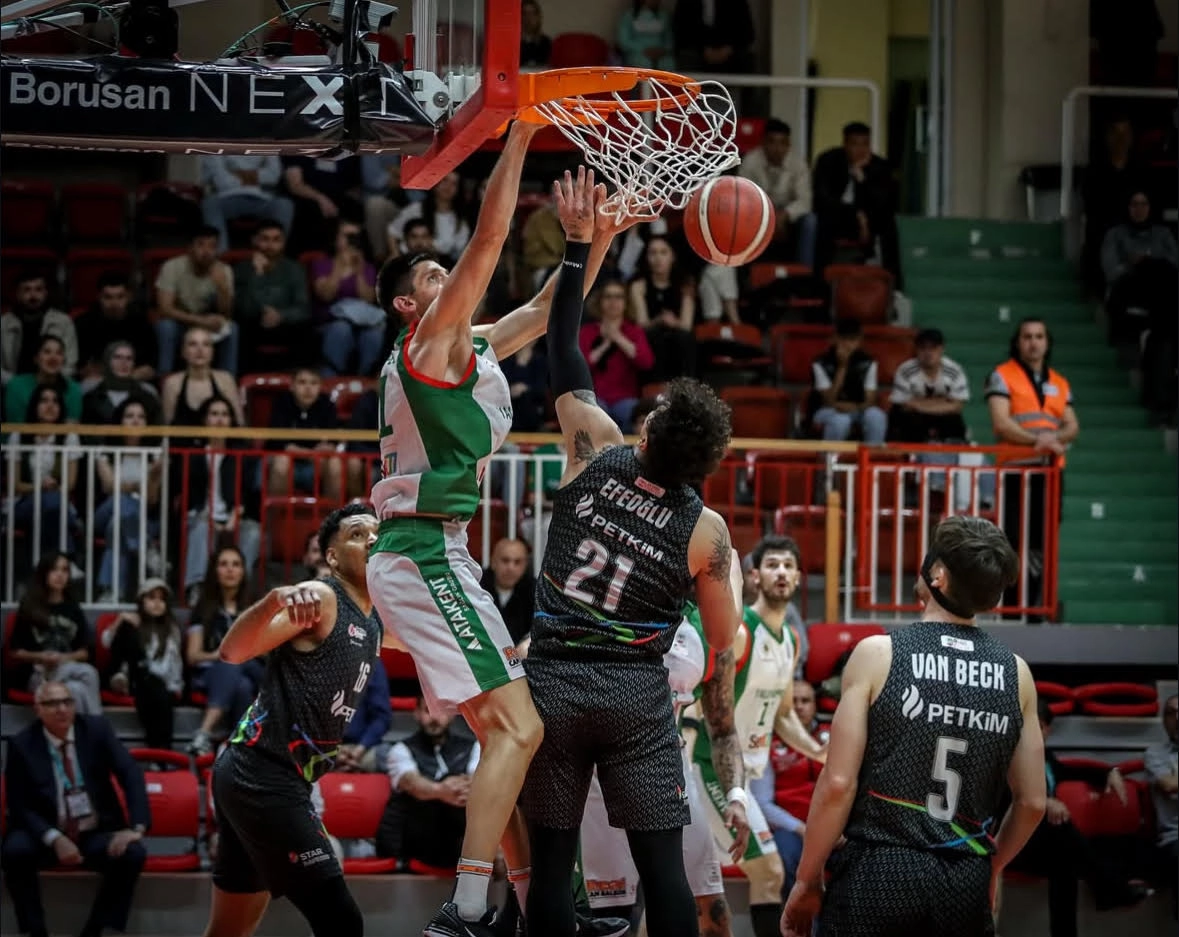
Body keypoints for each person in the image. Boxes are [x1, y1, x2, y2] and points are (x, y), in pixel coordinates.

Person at [366, 128, 626, 937]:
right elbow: (487, 238)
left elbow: (548, 310)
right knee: (521, 725)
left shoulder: (466, 346)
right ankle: (469, 907)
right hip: (419, 550)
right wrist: (516, 134)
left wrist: (598, 236)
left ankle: (543, 906)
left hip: (437, 551)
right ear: (407, 306)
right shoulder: (425, 345)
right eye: (431, 277)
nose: (448, 280)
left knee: (505, 733)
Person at [520, 168, 740, 937]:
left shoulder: (595, 450)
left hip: (552, 680)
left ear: (646, 431)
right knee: (663, 872)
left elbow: (561, 347)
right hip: (635, 697)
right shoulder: (706, 530)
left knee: (552, 867)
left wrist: (580, 245)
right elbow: (722, 638)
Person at [781, 515, 1046, 937]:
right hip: (965, 877)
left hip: (880, 867)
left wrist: (807, 878)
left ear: (937, 574)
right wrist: (991, 867)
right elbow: (1032, 803)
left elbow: (837, 784)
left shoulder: (878, 653)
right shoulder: (1017, 675)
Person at [203, 504, 383, 937]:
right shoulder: (322, 596)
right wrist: (272, 602)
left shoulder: (374, 617)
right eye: (358, 534)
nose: (373, 539)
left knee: (229, 930)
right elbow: (231, 652)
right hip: (261, 774)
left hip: (262, 775)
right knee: (342, 922)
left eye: (377, 532)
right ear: (332, 557)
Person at [579, 549, 752, 937]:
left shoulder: (712, 633)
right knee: (616, 920)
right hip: (601, 778)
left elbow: (723, 729)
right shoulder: (613, 605)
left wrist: (737, 796)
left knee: (712, 911)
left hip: (671, 774)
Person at [689, 535, 826, 937]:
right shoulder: (742, 631)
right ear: (754, 576)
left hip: (743, 776)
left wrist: (820, 752)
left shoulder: (791, 641)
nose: (780, 572)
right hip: (709, 766)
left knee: (697, 892)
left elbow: (783, 716)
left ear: (798, 577)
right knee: (768, 872)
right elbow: (705, 701)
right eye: (772, 565)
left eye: (788, 565)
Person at [2, 681, 150, 937]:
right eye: (52, 703)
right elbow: (19, 805)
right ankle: (35, 930)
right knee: (14, 851)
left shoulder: (96, 730)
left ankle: (95, 930)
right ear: (37, 709)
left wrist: (136, 827)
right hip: (46, 834)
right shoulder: (22, 744)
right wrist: (55, 838)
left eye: (67, 702)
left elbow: (130, 773)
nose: (62, 709)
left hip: (93, 831)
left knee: (131, 854)